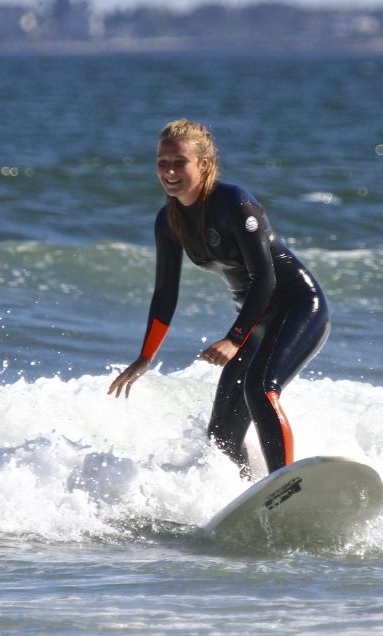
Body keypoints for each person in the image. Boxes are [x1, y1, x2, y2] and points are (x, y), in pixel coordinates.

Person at [107, 119, 330, 479]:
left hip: (298, 306)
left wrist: (234, 338)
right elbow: (166, 294)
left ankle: (285, 484)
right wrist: (145, 357)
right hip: (255, 321)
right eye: (162, 162)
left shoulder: (234, 203)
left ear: (205, 164)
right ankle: (250, 493)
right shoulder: (169, 220)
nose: (169, 171)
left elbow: (265, 277)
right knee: (222, 432)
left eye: (180, 162)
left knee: (260, 391)